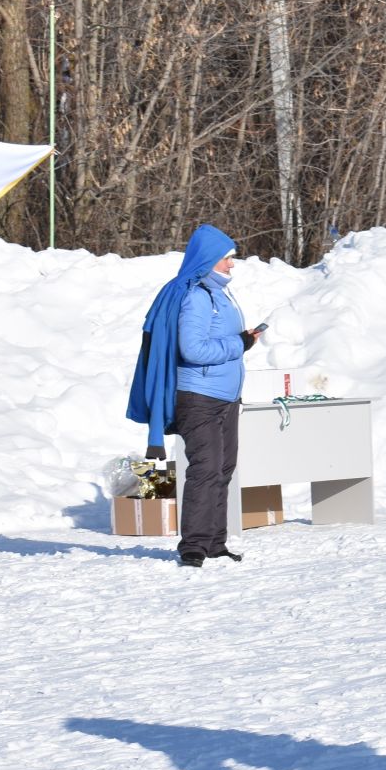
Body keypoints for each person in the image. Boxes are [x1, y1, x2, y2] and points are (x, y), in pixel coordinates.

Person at [126, 224, 262, 568]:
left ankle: (215, 542)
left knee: (224, 468)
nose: (232, 265)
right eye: (227, 258)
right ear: (209, 260)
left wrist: (242, 338)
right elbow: (193, 349)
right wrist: (240, 344)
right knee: (206, 468)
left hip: (226, 398)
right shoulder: (197, 296)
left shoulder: (220, 295)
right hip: (199, 397)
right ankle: (194, 547)